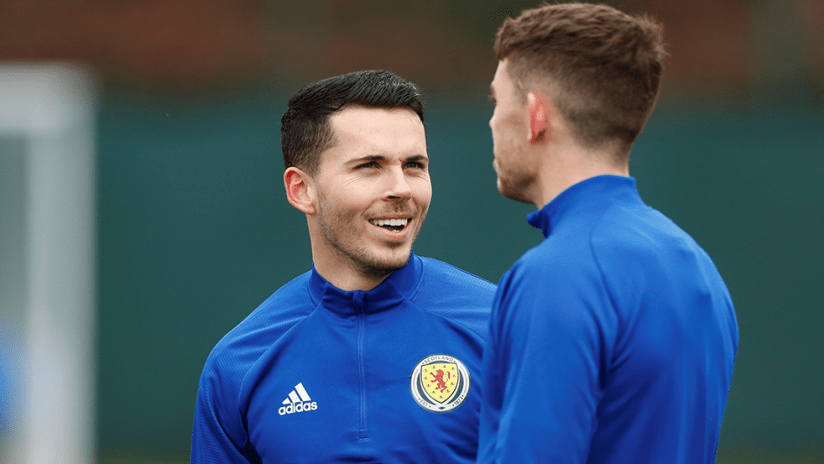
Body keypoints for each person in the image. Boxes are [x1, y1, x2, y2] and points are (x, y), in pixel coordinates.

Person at [478, 3, 739, 463]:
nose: (493, 121)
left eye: (497, 101)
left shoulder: (557, 275)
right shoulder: (697, 266)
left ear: (536, 114)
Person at [190, 70, 496, 463]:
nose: (402, 188)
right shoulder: (240, 363)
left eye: (415, 165)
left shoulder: (501, 327)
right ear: (302, 189)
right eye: (370, 165)